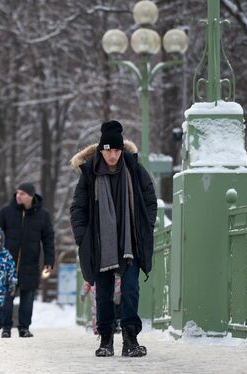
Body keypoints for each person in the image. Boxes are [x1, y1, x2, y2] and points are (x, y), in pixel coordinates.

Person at [69, 120, 157, 357]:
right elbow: (78, 209)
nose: (112, 155)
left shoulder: (134, 169)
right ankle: (106, 340)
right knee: (104, 293)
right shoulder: (89, 173)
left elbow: (150, 199)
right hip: (100, 244)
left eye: (117, 150)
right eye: (108, 150)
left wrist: (146, 226)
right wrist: (82, 238)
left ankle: (130, 338)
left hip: (130, 242)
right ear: (101, 150)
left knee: (130, 290)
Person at [0, 182, 55, 338]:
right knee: (7, 297)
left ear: (31, 196)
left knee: (28, 298)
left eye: (22, 194)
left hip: (30, 264)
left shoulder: (43, 214)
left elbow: (48, 239)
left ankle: (24, 328)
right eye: (17, 193)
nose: (18, 196)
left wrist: (49, 260)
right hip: (8, 264)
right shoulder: (6, 212)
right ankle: (5, 328)